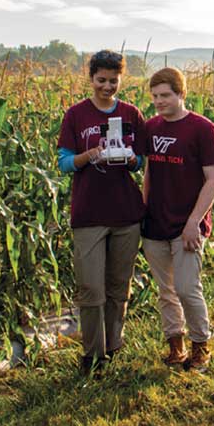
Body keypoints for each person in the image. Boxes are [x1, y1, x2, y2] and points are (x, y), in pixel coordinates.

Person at [57, 50, 145, 374]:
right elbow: (64, 164)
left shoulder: (133, 114)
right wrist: (90, 155)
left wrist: (131, 159)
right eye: (101, 80)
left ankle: (112, 347)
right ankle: (92, 355)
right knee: (91, 288)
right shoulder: (76, 115)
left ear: (121, 79)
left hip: (125, 213)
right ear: (91, 78)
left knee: (118, 287)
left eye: (113, 80)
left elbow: (141, 160)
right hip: (89, 213)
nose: (107, 86)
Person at [142, 67, 214, 372]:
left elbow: (212, 180)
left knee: (188, 288)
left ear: (181, 94)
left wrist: (194, 222)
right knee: (166, 291)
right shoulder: (151, 128)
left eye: (165, 95)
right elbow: (150, 172)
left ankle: (201, 346)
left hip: (187, 225)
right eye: (154, 96)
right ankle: (175, 346)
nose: (159, 101)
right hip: (155, 224)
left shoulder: (201, 129)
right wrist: (144, 208)